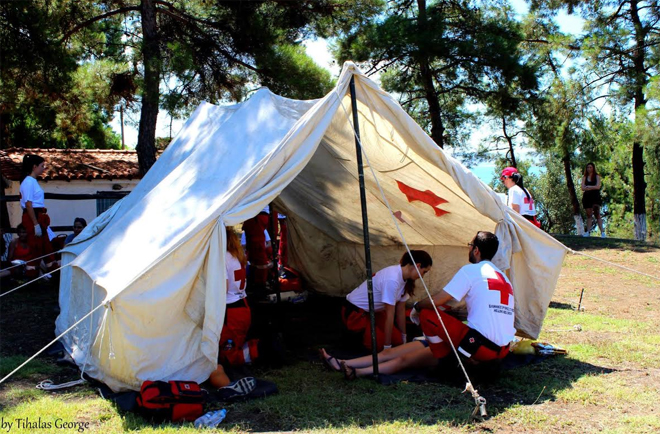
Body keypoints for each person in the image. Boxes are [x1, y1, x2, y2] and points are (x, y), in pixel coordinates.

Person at [320, 231, 514, 379]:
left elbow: (436, 302)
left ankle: (358, 371)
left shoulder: (471, 270)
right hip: (498, 349)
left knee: (407, 349)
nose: (469, 249)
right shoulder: (504, 278)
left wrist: (418, 308)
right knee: (392, 352)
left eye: (470, 246)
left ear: (476, 250)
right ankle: (344, 362)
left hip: (471, 346)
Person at [342, 250, 432, 352]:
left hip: (374, 312)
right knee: (378, 345)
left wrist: (404, 337)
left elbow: (400, 310)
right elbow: (390, 314)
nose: (422, 276)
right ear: (418, 265)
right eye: (424, 272)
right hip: (356, 312)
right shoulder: (392, 279)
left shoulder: (405, 279)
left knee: (397, 341)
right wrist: (387, 347)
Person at [217, 226, 258, 367]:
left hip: (231, 311)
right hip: (243, 305)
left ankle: (259, 353)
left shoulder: (222, 258)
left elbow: (223, 288)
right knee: (235, 345)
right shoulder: (237, 255)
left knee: (228, 355)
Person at [20, 154, 55, 261]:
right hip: (33, 216)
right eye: (41, 166)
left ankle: (49, 266)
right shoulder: (28, 182)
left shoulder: (33, 181)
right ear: (34, 167)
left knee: (45, 246)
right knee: (35, 247)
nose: (43, 168)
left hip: (39, 215)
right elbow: (28, 204)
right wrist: (35, 224)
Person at [581, 162, 605, 238]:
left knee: (597, 214)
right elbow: (582, 187)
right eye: (588, 167)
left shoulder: (597, 176)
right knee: (589, 215)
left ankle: (602, 232)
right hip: (587, 197)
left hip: (595, 197)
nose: (589, 169)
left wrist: (589, 187)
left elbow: (598, 186)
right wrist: (589, 187)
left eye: (590, 167)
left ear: (593, 168)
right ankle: (588, 232)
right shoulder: (585, 177)